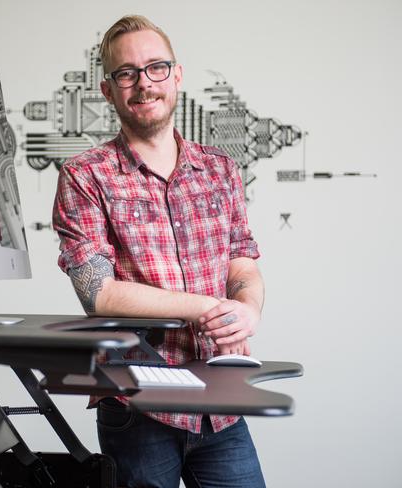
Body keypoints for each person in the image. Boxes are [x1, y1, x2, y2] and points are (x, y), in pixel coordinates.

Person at [52, 14, 266, 488]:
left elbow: (242, 261)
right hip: (138, 407)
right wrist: (209, 308)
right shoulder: (85, 176)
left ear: (176, 76)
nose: (143, 83)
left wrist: (246, 309)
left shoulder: (221, 169)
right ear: (108, 90)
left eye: (155, 68)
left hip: (220, 403)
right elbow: (99, 295)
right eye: (126, 73)